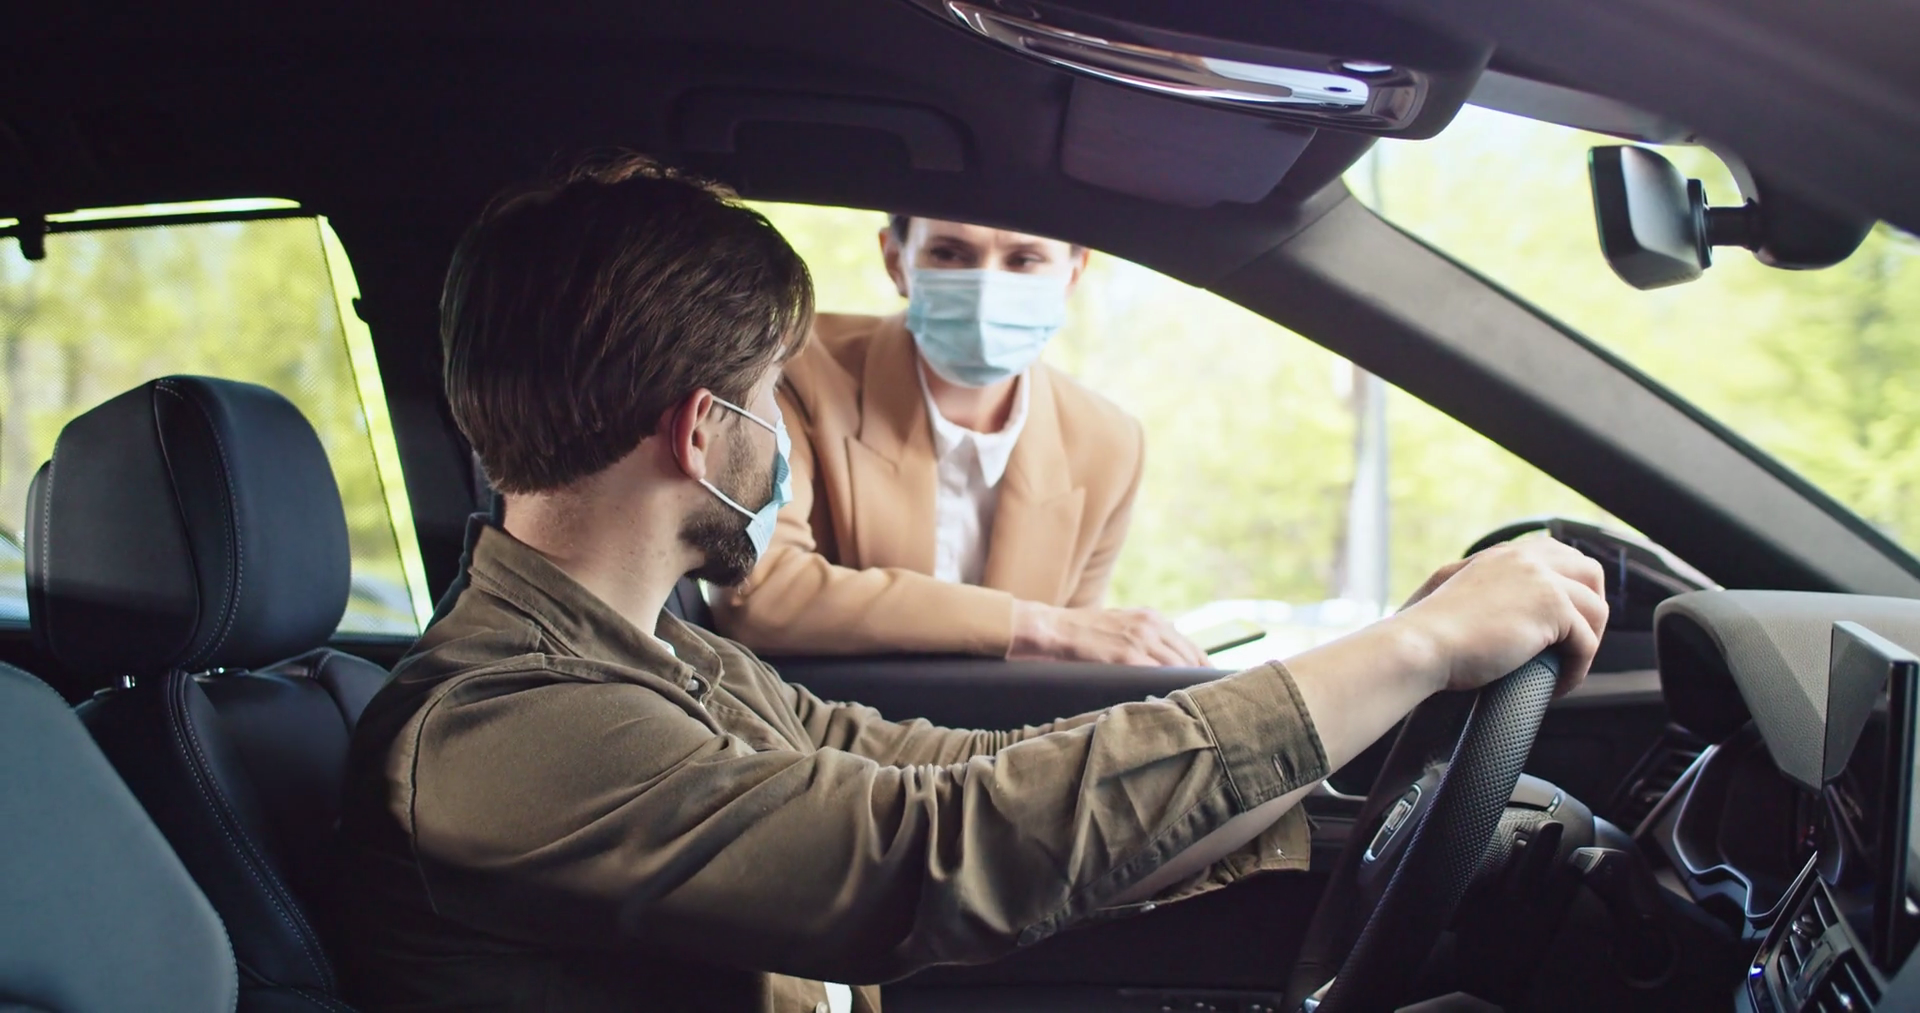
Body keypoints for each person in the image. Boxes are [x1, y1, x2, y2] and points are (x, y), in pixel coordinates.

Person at [337, 155, 1609, 1013]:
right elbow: (930, 853)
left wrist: (1386, 660)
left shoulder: (679, 660)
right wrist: (1413, 654)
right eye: (773, 394)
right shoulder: (503, 724)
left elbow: (965, 772)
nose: (786, 438)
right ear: (703, 432)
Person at [711, 215, 1208, 666]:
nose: (986, 286)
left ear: (1073, 274)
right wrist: (1034, 625)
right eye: (949, 253)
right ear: (896, 260)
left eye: (1024, 259)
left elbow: (1075, 663)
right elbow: (758, 592)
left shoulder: (1110, 443)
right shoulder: (795, 371)